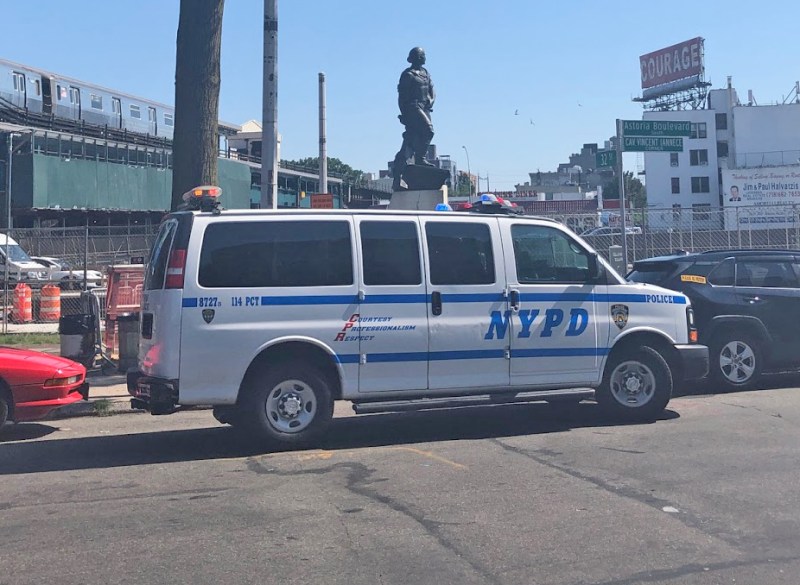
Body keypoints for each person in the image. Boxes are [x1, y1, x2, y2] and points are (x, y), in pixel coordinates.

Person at [392, 47, 435, 191]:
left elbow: (432, 90)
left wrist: (431, 100)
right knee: (429, 131)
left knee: (409, 143)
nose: (424, 57)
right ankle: (420, 159)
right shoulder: (408, 74)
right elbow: (401, 98)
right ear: (415, 57)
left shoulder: (425, 73)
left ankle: (397, 177)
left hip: (425, 108)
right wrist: (404, 115)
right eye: (422, 55)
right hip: (413, 108)